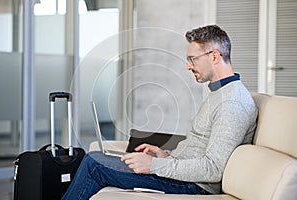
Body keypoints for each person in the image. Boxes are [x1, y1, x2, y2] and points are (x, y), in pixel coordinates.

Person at [62, 25, 258, 199]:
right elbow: (197, 147)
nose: (188, 66)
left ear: (214, 56)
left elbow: (213, 168)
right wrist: (165, 156)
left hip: (194, 187)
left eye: (192, 59)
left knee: (93, 164)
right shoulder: (219, 93)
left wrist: (153, 165)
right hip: (182, 176)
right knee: (95, 157)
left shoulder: (232, 102)